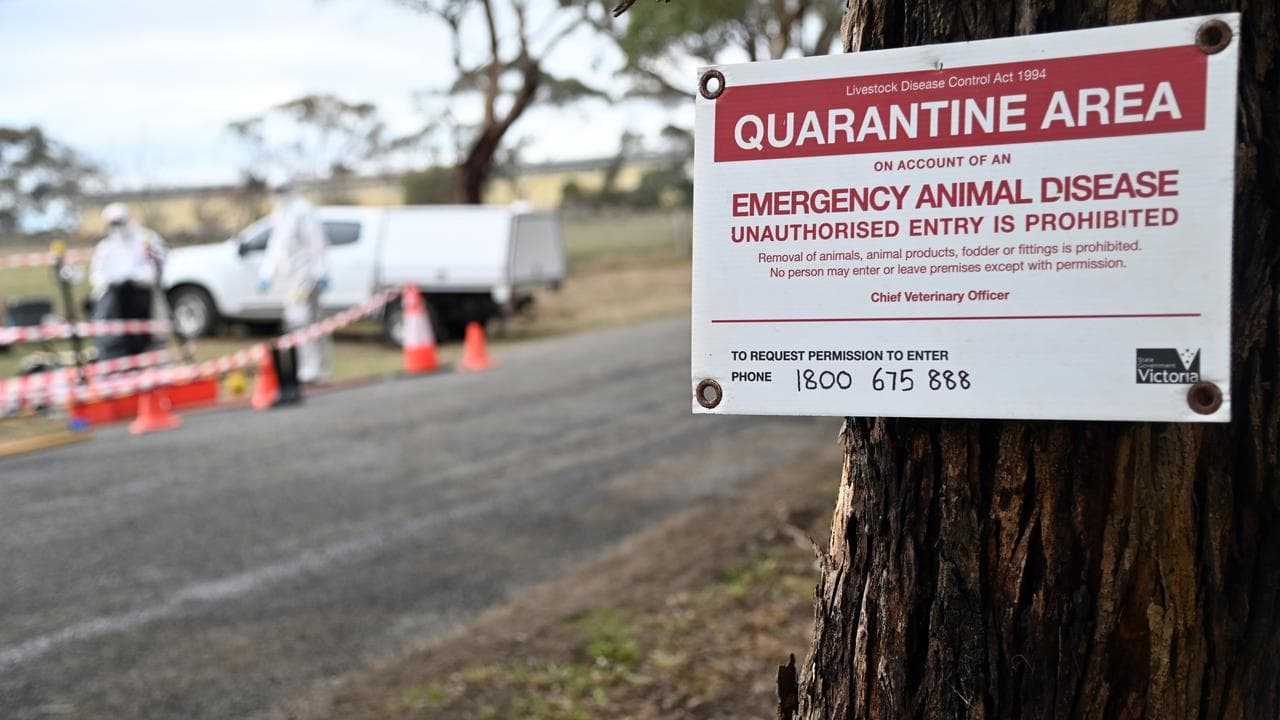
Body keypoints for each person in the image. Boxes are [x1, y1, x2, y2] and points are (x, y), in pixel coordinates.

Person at [257, 175, 331, 404]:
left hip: (305, 276)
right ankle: (311, 369)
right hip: (289, 279)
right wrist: (266, 274)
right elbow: (275, 248)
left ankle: (314, 369)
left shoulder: (302, 211)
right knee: (301, 324)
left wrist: (321, 271)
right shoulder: (280, 214)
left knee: (303, 322)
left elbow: (316, 243)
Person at [89, 203, 165, 359]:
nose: (117, 227)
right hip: (115, 299)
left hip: (142, 296)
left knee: (150, 340)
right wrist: (110, 282)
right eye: (113, 224)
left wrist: (135, 277)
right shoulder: (105, 246)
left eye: (119, 222)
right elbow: (97, 274)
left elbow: (159, 265)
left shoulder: (146, 238)